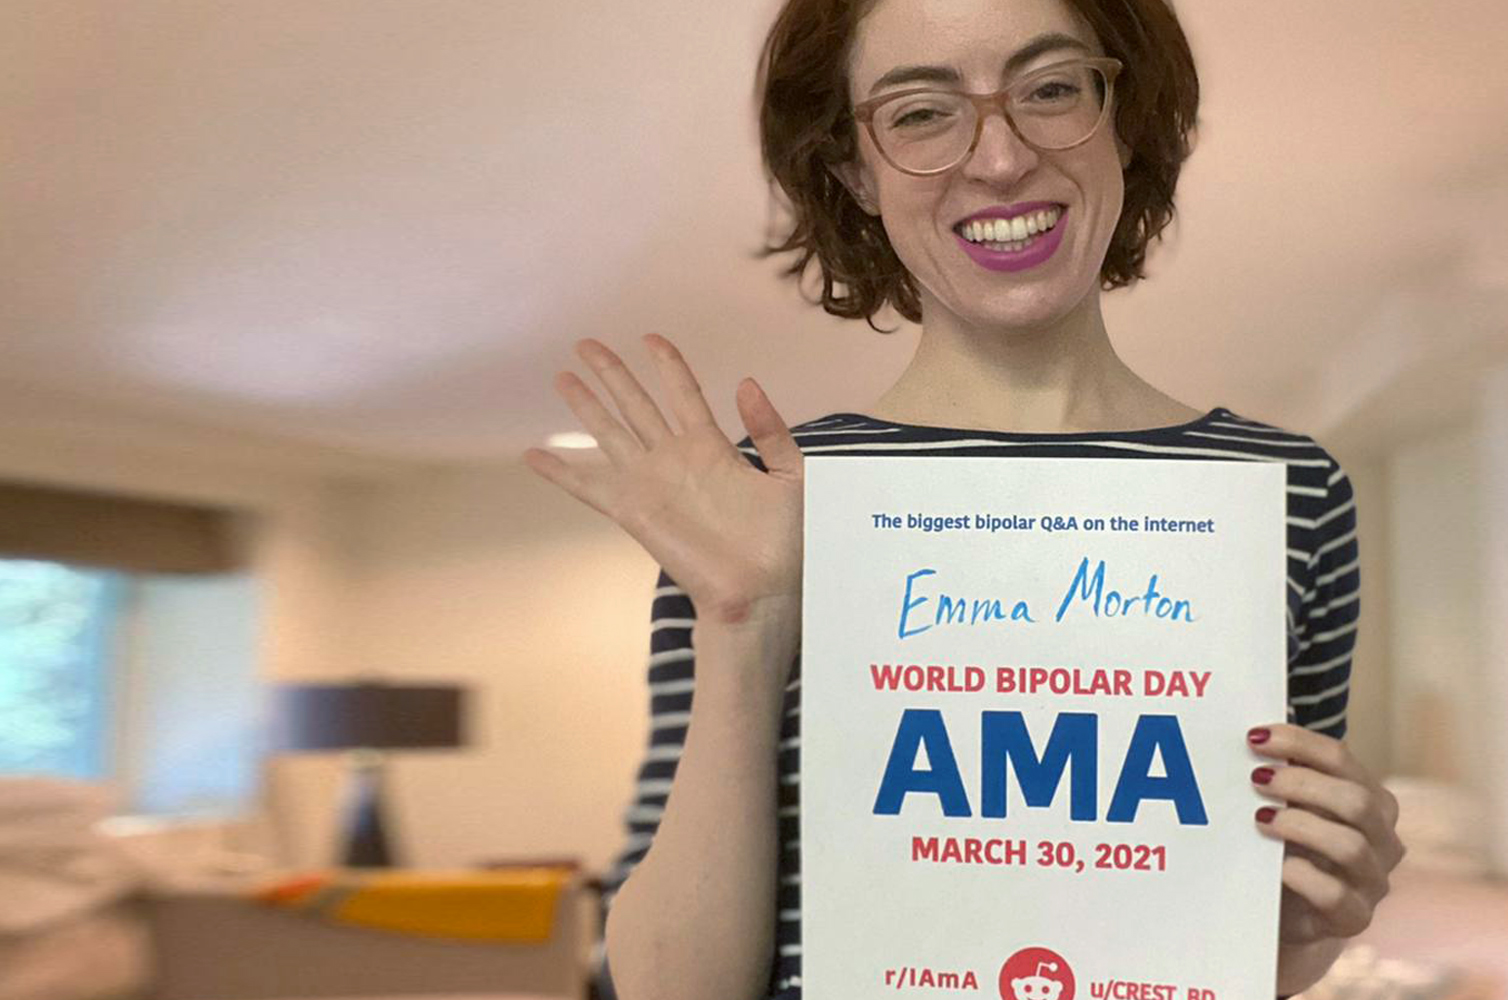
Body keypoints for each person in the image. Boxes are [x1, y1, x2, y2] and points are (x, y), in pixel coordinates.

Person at [520, 0, 1405, 997]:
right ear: (854, 170)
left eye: (1051, 88)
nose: (997, 159)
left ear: (1123, 120)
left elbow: (1264, 941)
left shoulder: (1290, 493)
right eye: (919, 112)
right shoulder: (760, 499)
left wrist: (1320, 908)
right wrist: (742, 620)